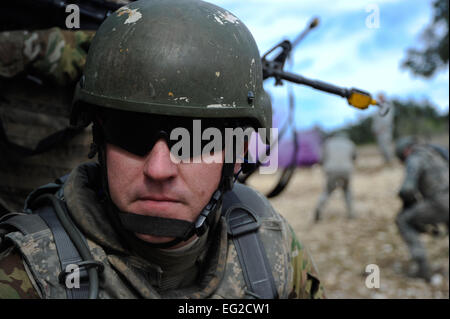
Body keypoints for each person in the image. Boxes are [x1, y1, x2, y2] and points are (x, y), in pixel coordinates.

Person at [0, 0, 325, 299]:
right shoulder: (29, 273)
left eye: (195, 140)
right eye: (131, 133)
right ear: (98, 138)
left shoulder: (271, 250)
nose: (158, 169)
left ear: (238, 154)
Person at [395, 136, 449, 281]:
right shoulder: (435, 152)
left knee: (403, 220)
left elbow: (407, 189)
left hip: (442, 203)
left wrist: (408, 203)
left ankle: (422, 268)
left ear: (405, 151)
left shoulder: (414, 158)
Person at [314, 132, 357, 222]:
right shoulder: (350, 143)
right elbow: (354, 157)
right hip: (346, 170)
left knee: (328, 191)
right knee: (347, 190)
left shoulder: (328, 143)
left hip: (331, 170)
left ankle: (319, 209)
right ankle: (351, 213)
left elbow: (321, 159)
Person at [371, 93, 395, 164]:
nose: (379, 99)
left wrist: (382, 129)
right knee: (381, 147)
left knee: (386, 146)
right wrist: (375, 129)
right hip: (379, 131)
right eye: (378, 97)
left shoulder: (387, 106)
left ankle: (390, 161)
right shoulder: (378, 107)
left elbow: (387, 119)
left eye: (381, 97)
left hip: (385, 131)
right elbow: (375, 120)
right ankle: (386, 161)